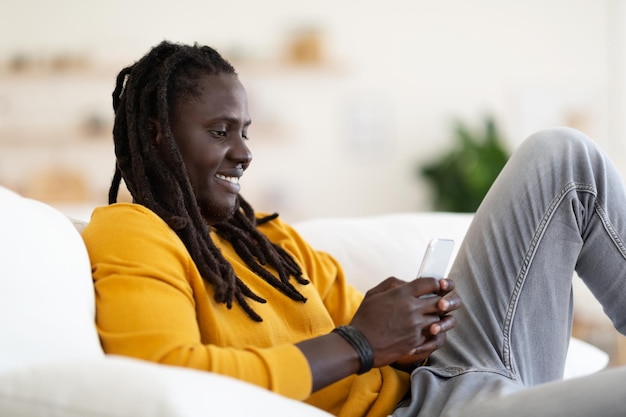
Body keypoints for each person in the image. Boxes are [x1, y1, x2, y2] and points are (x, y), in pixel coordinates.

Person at [81, 40, 626, 417]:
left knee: (563, 156)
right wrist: (359, 342)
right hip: (426, 411)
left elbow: (374, 335)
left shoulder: (274, 241)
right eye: (221, 131)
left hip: (440, 383)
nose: (245, 152)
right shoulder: (134, 232)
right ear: (156, 136)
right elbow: (170, 375)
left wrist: (412, 329)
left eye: (246, 131)